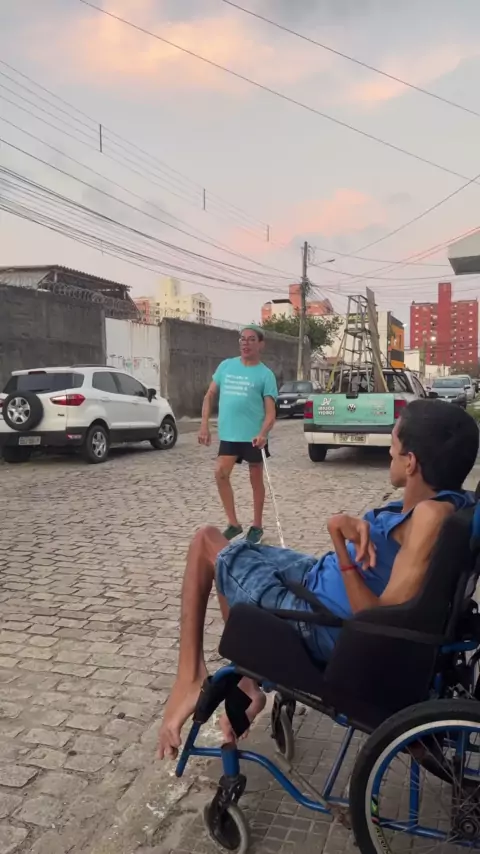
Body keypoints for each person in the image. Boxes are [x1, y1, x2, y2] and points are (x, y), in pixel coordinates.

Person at [158, 400, 479, 760]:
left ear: (411, 462)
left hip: (319, 621)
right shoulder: (451, 501)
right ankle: (248, 683)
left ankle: (191, 678)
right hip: (315, 579)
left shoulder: (431, 515)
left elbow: (375, 625)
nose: (390, 451)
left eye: (394, 443)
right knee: (232, 551)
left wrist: (340, 545)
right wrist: (355, 526)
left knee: (206, 542)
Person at [198, 325, 278, 545]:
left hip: (253, 437)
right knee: (220, 473)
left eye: (251, 339)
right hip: (229, 435)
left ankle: (257, 526)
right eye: (242, 339)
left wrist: (263, 433)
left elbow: (271, 413)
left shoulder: (265, 375)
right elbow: (209, 395)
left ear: (261, 344)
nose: (245, 343)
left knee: (255, 479)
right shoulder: (226, 366)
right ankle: (233, 524)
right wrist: (204, 425)